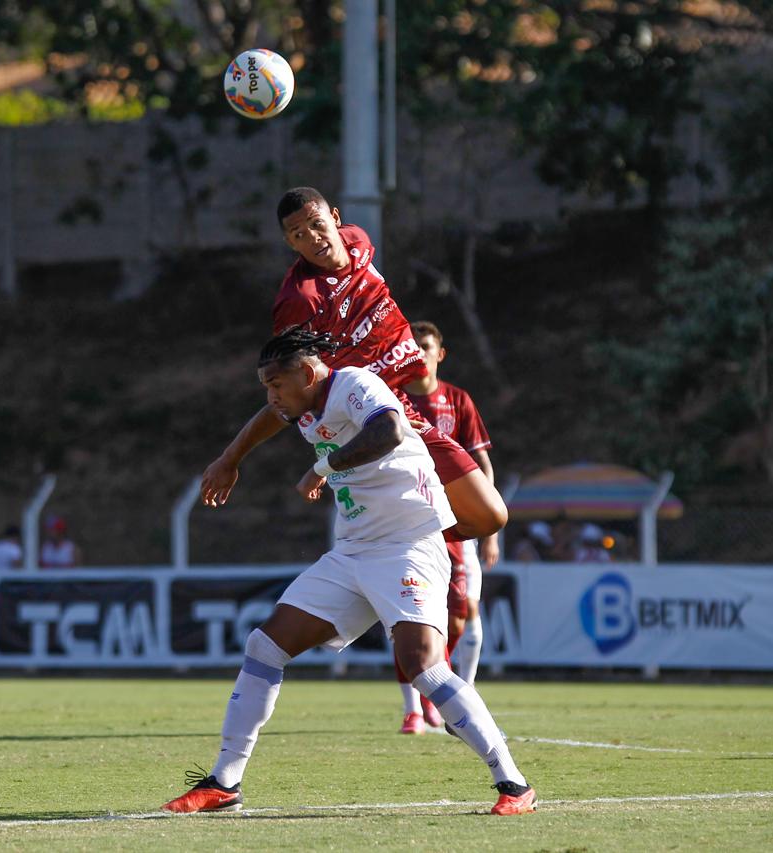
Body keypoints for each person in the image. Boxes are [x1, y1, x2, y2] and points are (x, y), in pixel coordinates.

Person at [161, 329, 536, 816]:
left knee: (424, 664)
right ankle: (224, 781)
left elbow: (390, 430)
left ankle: (513, 784)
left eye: (276, 383)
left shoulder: (353, 384)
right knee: (265, 645)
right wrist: (230, 459)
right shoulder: (298, 402)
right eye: (265, 386)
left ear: (309, 372)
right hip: (355, 551)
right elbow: (267, 419)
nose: (271, 396)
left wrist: (324, 465)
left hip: (409, 545)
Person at [198, 187, 508, 545]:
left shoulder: (357, 240)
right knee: (474, 518)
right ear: (290, 243)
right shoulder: (301, 300)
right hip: (359, 417)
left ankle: (393, 542)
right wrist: (230, 458)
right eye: (299, 235)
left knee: (489, 517)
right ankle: (388, 549)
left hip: (398, 405)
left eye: (317, 225)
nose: (313, 238)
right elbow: (289, 387)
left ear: (335, 218)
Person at [394, 321, 501, 732]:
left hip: (457, 525)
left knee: (464, 616)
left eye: (425, 346)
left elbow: (481, 465)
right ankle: (413, 709)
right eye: (412, 347)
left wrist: (488, 527)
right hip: (409, 523)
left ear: (440, 353)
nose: (418, 353)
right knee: (406, 617)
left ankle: (458, 695)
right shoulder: (391, 398)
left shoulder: (457, 400)